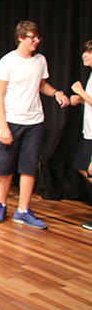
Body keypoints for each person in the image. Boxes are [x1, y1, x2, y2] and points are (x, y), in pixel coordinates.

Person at [0, 21, 69, 229]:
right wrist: (3, 124)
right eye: (32, 37)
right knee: (5, 167)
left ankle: (23, 211)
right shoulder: (8, 61)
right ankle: (1, 204)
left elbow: (41, 85)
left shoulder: (40, 60)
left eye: (38, 37)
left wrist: (56, 93)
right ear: (20, 38)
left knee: (29, 166)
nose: (36, 41)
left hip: (34, 122)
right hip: (12, 121)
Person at [69, 40, 92, 230]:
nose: (85, 55)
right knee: (81, 165)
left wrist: (80, 92)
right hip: (88, 133)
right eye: (85, 51)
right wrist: (82, 99)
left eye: (90, 52)